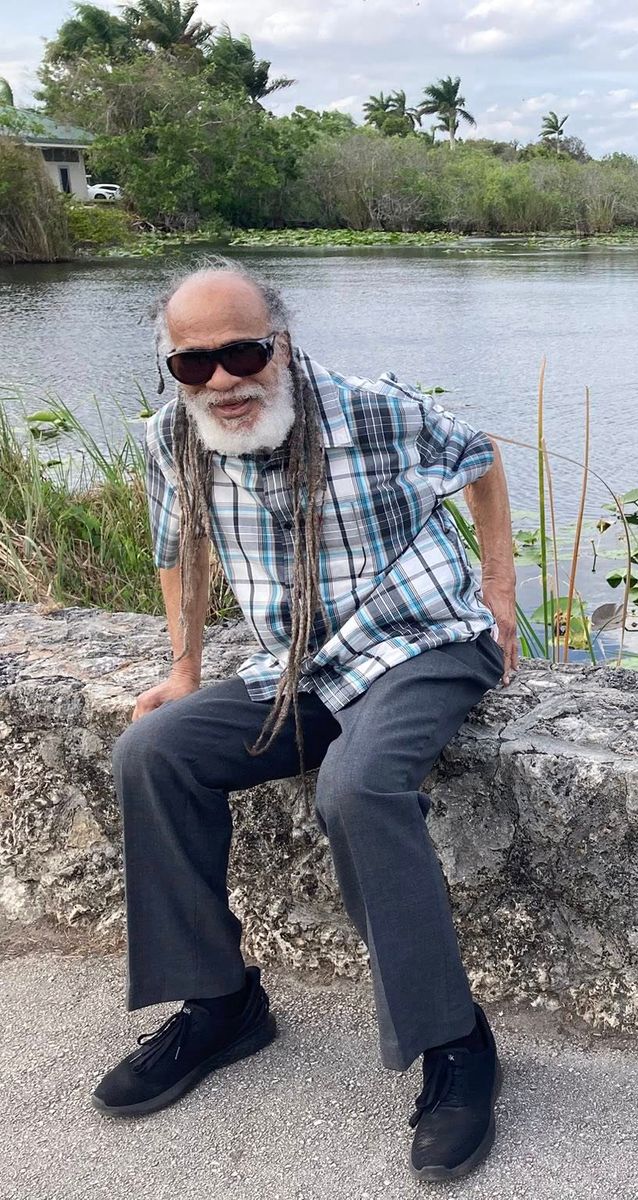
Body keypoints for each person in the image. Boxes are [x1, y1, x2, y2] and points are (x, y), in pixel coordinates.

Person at [92, 257, 520, 1182]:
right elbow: (178, 546)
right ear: (173, 370)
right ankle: (221, 1005)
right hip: (302, 665)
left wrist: (498, 587)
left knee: (357, 788)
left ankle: (455, 1042)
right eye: (194, 363)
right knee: (153, 753)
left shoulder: (371, 408)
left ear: (281, 343)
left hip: (420, 642)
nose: (223, 380)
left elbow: (480, 456)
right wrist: (184, 669)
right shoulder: (177, 437)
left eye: (243, 353)